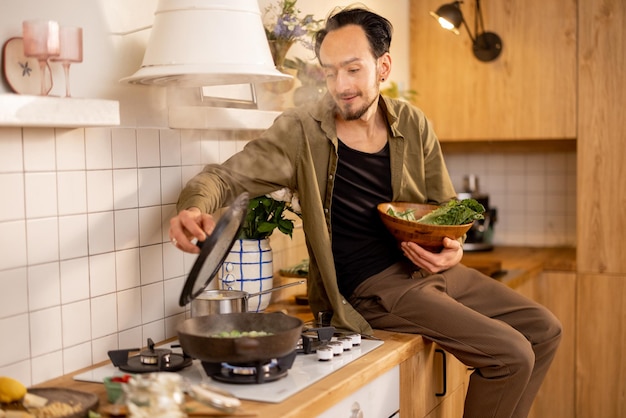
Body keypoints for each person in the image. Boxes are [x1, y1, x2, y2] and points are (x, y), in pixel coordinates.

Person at [168, 6, 561, 418]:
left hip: (432, 272)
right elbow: (224, 178)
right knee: (511, 354)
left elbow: (446, 210)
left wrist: (453, 249)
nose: (341, 84)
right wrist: (193, 207)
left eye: (353, 69)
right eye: (330, 71)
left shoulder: (413, 123)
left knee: (544, 330)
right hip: (374, 289)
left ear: (383, 66)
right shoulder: (300, 131)